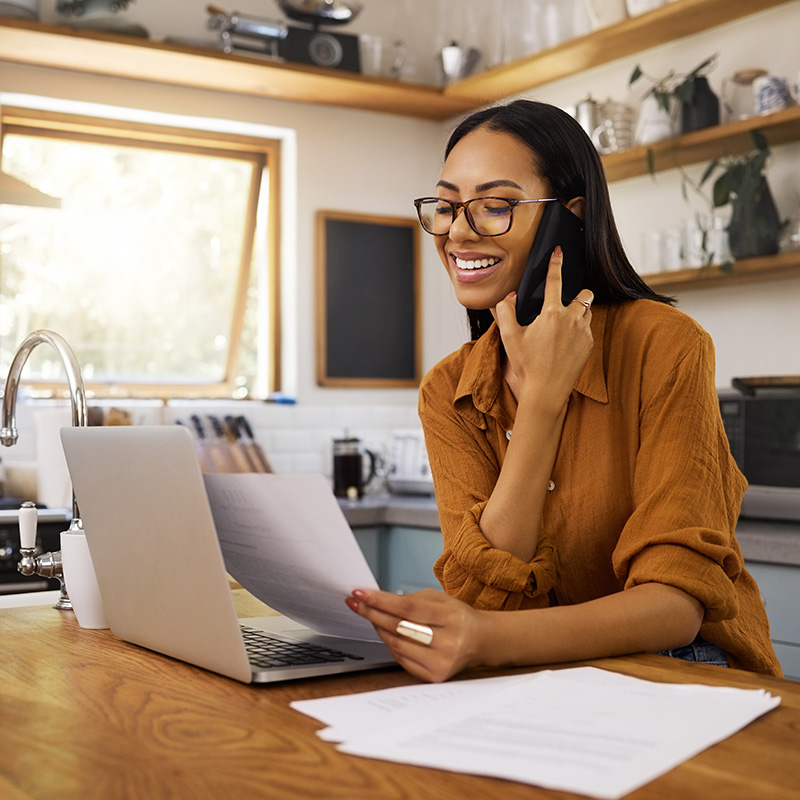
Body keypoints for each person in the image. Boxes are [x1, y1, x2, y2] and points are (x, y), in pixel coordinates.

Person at [345, 99, 781, 683]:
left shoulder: (665, 344)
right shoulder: (448, 389)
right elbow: (484, 596)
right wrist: (543, 406)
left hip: (682, 669)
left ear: (569, 219)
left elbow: (676, 605)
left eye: (494, 206)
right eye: (446, 207)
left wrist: (487, 640)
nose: (457, 232)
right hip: (532, 671)